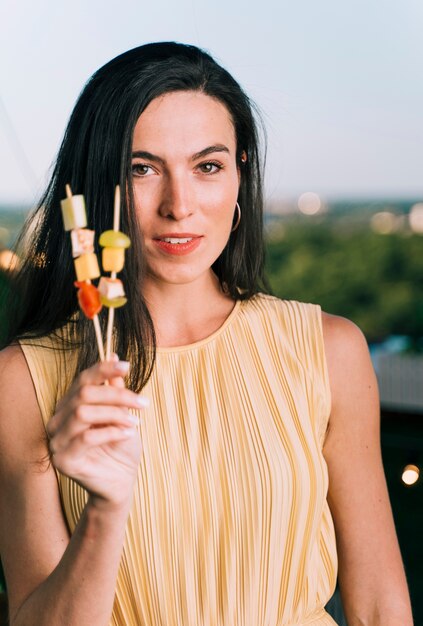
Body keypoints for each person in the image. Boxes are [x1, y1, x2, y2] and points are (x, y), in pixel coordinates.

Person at [0, 42, 413, 626]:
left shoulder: (330, 352)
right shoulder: (23, 382)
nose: (180, 205)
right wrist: (106, 512)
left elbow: (380, 607)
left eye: (208, 166)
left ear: (240, 175)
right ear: (97, 185)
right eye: (141, 169)